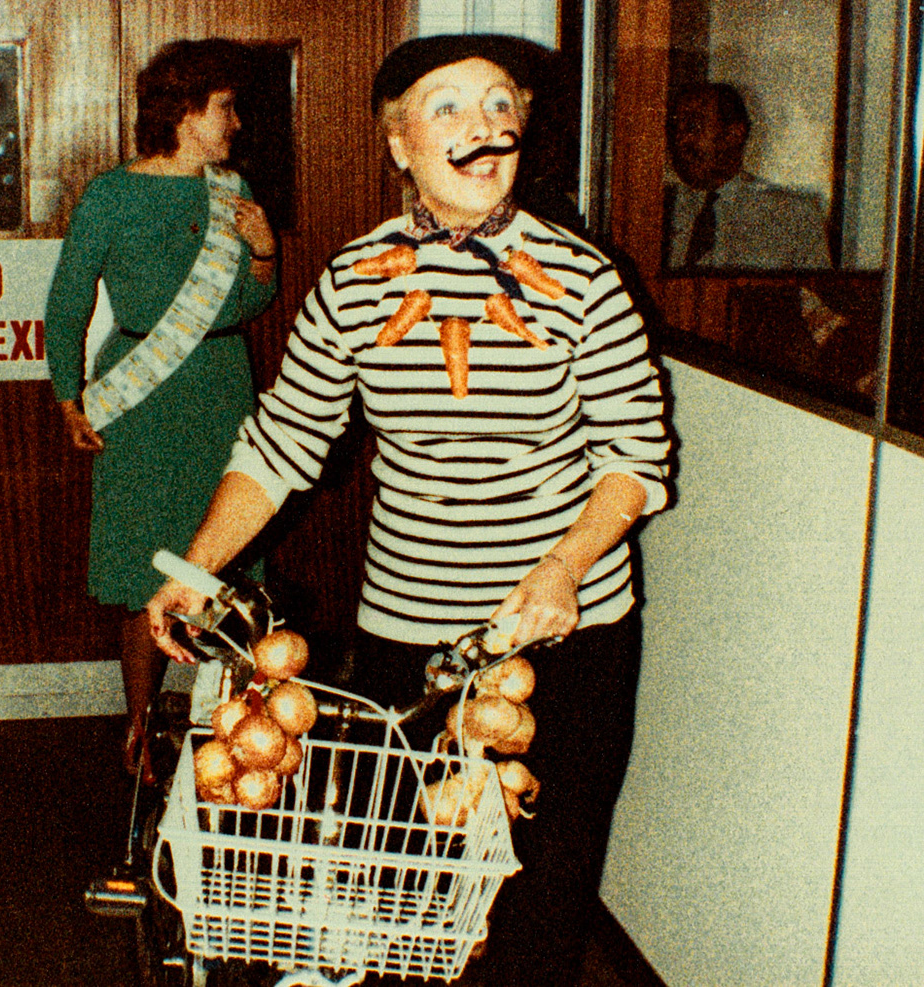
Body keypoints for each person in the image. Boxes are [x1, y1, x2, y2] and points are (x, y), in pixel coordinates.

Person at [147, 34, 672, 986]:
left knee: (540, 894)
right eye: (449, 110)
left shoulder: (587, 278)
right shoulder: (353, 282)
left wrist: (564, 566)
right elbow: (281, 443)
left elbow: (636, 460)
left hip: (564, 634)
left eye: (499, 106)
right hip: (411, 637)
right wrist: (195, 568)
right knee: (419, 895)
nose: (485, 129)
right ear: (399, 146)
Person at [44, 39, 277, 783]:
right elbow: (67, 300)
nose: (236, 122)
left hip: (220, 384)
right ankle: (140, 726)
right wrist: (66, 394)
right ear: (184, 111)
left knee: (231, 564)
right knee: (142, 565)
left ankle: (239, 740)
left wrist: (266, 254)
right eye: (225, 107)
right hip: (140, 396)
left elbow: (248, 301)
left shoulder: (230, 190)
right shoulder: (110, 195)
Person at [665, 82, 831, 270]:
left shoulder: (792, 217)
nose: (680, 141)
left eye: (693, 126)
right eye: (674, 129)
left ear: (734, 134)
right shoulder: (660, 211)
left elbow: (812, 297)